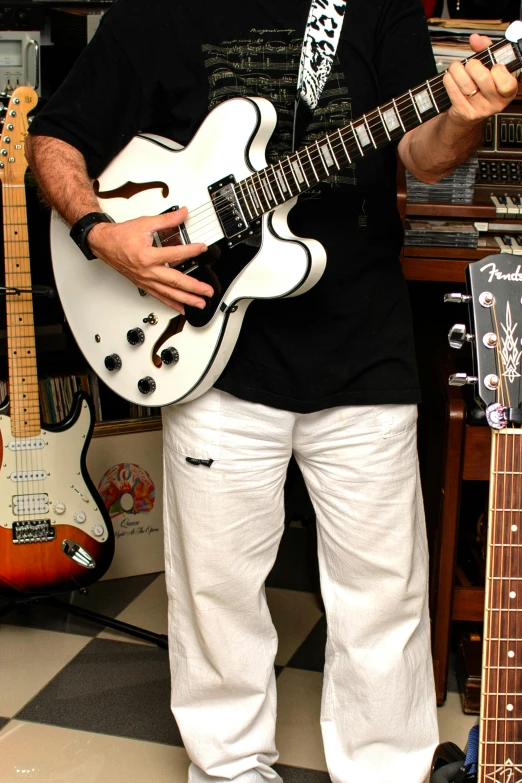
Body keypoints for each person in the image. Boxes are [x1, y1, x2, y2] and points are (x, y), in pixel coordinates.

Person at [25, 1, 518, 781]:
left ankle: (386, 768)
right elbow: (53, 136)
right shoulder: (154, 12)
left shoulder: (374, 7)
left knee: (383, 597)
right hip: (209, 355)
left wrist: (463, 117)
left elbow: (423, 155)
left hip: (362, 344)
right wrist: (98, 232)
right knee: (216, 595)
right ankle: (227, 769)